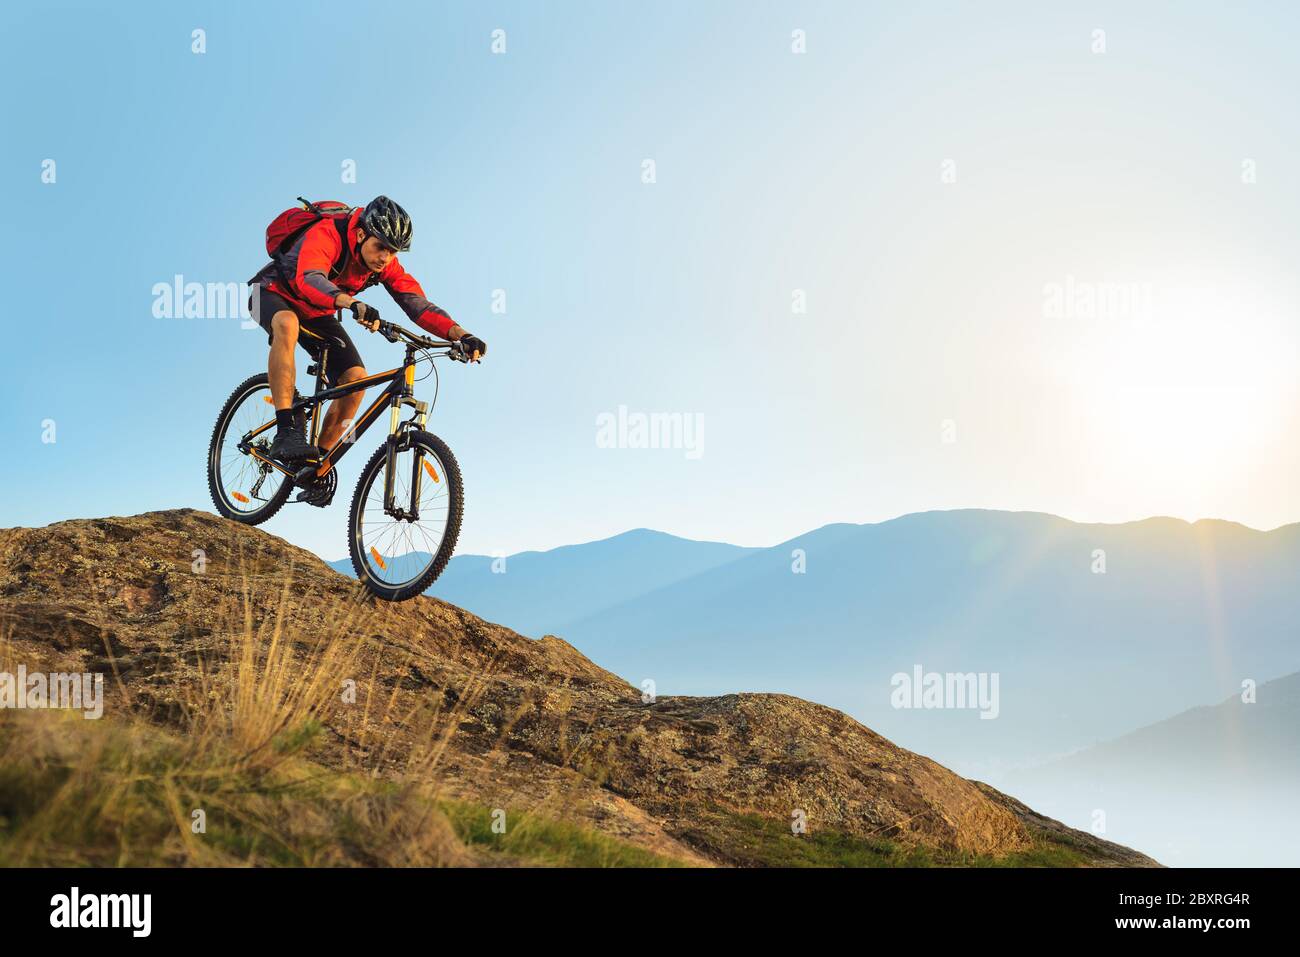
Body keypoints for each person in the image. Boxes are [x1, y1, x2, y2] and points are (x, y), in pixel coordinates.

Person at [248, 195, 486, 464]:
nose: (385, 257)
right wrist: (351, 302)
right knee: (287, 324)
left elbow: (417, 304)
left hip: (318, 311)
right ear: (361, 234)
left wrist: (461, 334)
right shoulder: (328, 233)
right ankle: (286, 430)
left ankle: (317, 464)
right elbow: (310, 278)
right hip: (270, 292)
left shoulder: (385, 263)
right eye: (380, 247)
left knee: (356, 380)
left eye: (393, 251)